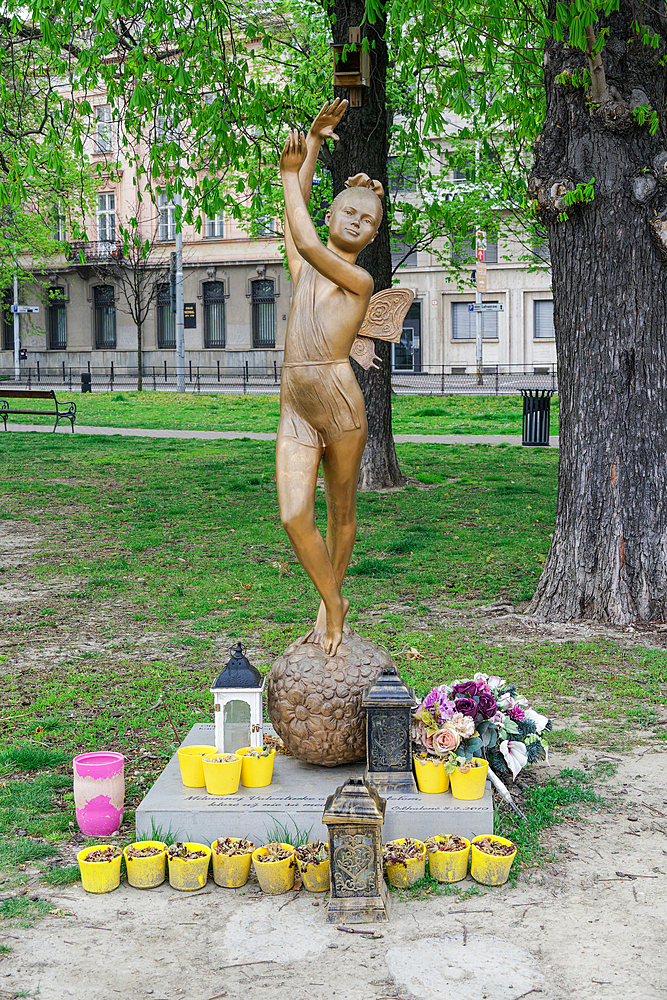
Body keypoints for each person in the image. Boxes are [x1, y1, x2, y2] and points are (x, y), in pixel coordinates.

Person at [277, 101, 384, 657]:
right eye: (351, 212)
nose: (358, 224)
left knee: (342, 512)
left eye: (368, 224)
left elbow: (310, 240)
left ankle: (330, 602)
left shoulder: (358, 279)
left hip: (340, 403)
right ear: (335, 208)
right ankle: (333, 599)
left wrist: (288, 176)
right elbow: (298, 236)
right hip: (295, 401)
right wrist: (312, 147)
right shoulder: (303, 269)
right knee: (295, 515)